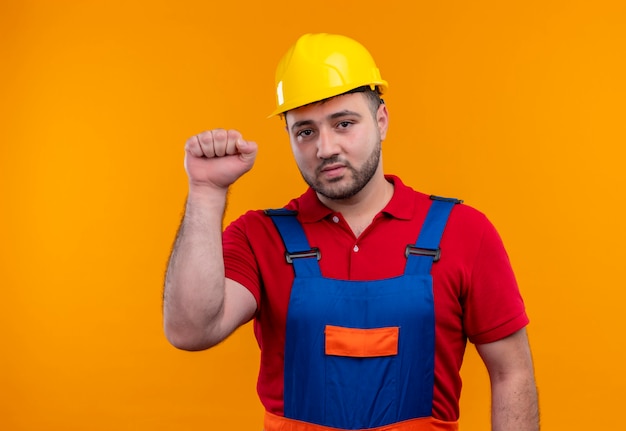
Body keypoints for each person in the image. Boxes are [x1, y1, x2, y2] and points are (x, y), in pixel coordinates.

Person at [163, 33, 539, 431]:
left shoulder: (463, 232)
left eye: (344, 123)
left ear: (381, 121)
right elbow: (190, 330)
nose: (326, 147)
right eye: (305, 131)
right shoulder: (260, 236)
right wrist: (205, 193)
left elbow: (511, 373)